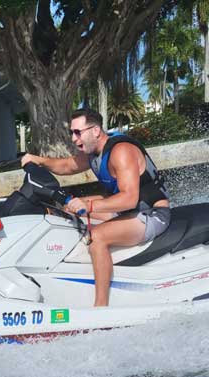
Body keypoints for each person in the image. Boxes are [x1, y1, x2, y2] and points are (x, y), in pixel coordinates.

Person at [21, 108, 170, 307]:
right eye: (71, 133)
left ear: (96, 131)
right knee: (66, 211)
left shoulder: (121, 152)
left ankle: (101, 307)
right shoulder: (93, 153)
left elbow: (129, 198)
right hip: (126, 210)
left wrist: (89, 205)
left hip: (152, 214)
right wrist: (37, 160)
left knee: (97, 238)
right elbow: (67, 166)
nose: (73, 139)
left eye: (77, 132)